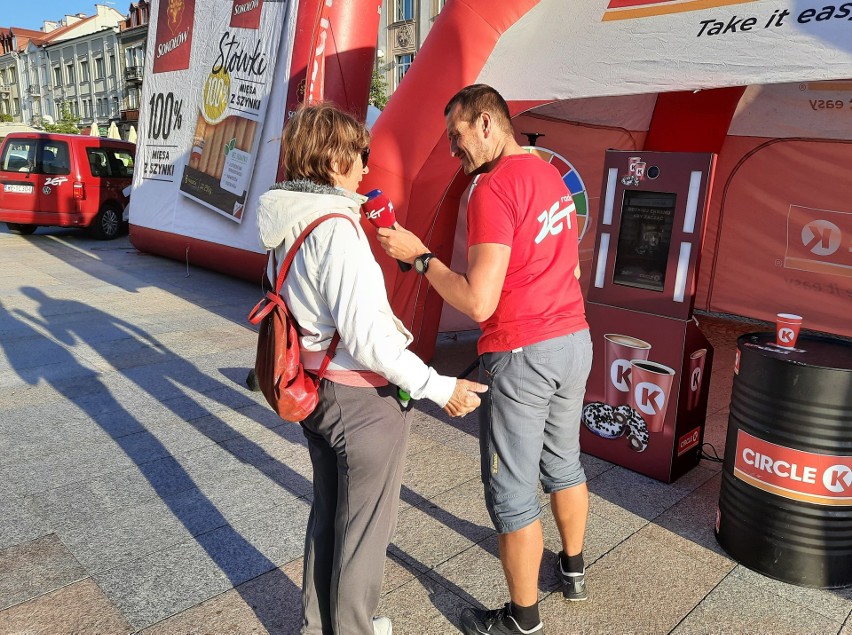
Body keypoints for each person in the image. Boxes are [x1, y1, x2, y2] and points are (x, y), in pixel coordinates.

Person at [256, 102, 487, 635]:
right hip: (360, 399)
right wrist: (438, 386)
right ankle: (354, 628)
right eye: (361, 155)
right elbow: (368, 339)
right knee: (363, 532)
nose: (366, 167)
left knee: (328, 519)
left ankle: (320, 624)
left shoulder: (288, 218)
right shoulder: (336, 230)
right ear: (334, 159)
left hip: (314, 388)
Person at [376, 84, 592, 635]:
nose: (455, 152)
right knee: (564, 462)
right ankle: (572, 570)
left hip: (522, 354)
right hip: (574, 341)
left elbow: (478, 300)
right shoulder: (550, 175)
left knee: (512, 490)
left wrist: (420, 258)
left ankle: (522, 621)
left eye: (458, 137)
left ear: (488, 123)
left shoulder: (493, 188)